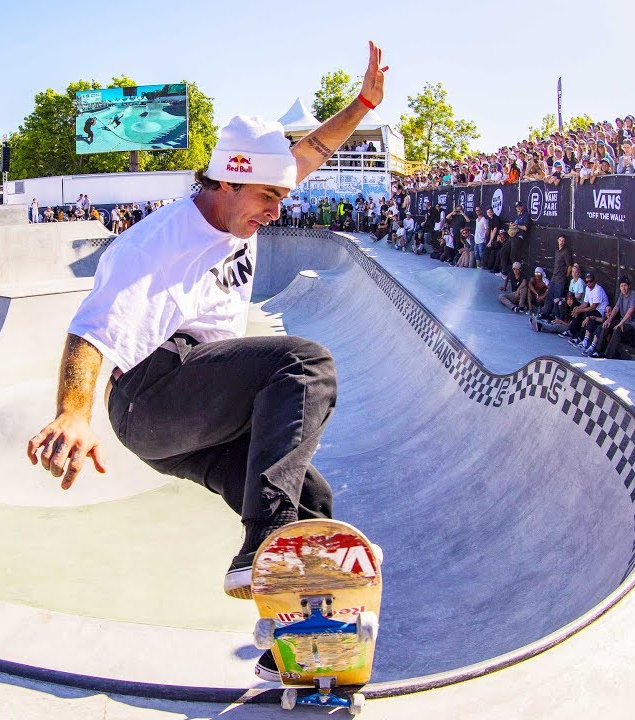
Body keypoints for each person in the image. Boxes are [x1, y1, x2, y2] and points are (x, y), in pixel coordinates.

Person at [26, 43, 388, 688]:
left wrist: (360, 105)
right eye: (266, 198)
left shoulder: (252, 190)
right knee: (305, 365)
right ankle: (262, 547)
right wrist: (71, 413)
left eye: (281, 196)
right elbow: (92, 328)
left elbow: (310, 153)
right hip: (152, 398)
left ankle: (294, 651)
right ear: (223, 181)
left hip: (195, 428)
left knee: (314, 503)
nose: (276, 211)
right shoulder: (155, 243)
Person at [579, 276, 635, 358]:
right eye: (621, 286)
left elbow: (631, 310)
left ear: (629, 286)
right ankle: (598, 351)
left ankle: (608, 356)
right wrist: (609, 320)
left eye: (625, 285)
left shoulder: (633, 294)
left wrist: (621, 323)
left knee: (617, 329)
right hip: (622, 321)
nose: (623, 288)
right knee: (606, 325)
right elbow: (616, 308)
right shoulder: (621, 294)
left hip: (632, 324)